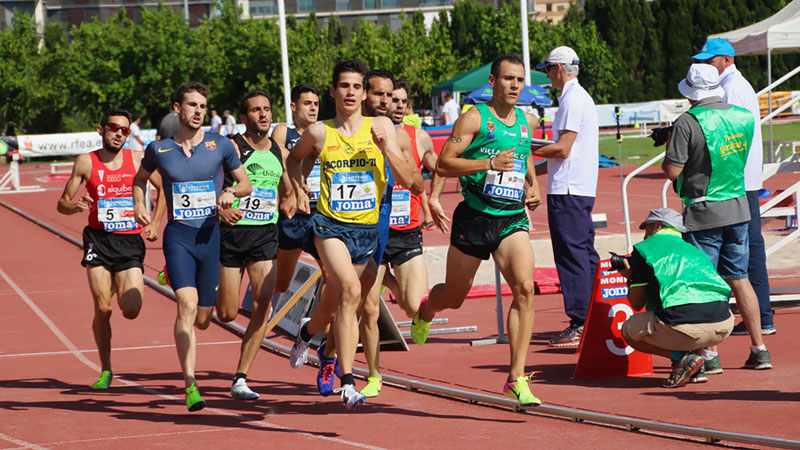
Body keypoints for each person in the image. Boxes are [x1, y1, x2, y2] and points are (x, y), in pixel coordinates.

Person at [285, 59, 417, 409]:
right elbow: (294, 159)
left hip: (367, 229)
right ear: (333, 90)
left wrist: (386, 148)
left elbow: (410, 180)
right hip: (329, 226)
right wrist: (298, 188)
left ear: (363, 93)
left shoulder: (381, 126)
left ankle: (307, 332)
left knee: (334, 304)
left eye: (357, 86)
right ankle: (348, 382)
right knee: (352, 291)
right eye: (344, 85)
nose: (350, 92)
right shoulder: (319, 133)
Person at [417, 54, 542, 406]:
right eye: (508, 78)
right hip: (474, 218)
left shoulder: (526, 121)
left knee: (525, 289)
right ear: (492, 81)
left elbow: (524, 156)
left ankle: (516, 377)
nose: (515, 85)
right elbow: (444, 164)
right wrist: (488, 163)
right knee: (454, 297)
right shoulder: (474, 118)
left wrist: (533, 186)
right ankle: (427, 308)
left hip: (511, 218)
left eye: (519, 79)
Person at [132, 82, 253, 412]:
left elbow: (245, 182)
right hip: (178, 237)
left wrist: (230, 192)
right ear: (177, 108)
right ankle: (190, 385)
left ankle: (176, 277)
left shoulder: (220, 145)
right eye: (192, 105)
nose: (198, 111)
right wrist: (140, 205)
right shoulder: (159, 149)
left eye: (202, 106)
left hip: (210, 238)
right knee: (186, 304)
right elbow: (140, 180)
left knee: (203, 319)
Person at [663, 63, 772, 372]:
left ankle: (710, 355)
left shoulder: (687, 121)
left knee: (705, 284)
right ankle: (759, 348)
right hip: (738, 206)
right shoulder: (743, 117)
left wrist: (674, 145)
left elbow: (672, 170)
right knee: (740, 278)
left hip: (703, 210)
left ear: (691, 93)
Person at [57, 108, 165, 390]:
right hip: (98, 240)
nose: (119, 134)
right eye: (114, 128)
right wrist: (75, 206)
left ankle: (117, 284)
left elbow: (164, 188)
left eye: (124, 130)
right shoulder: (86, 162)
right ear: (101, 129)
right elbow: (62, 203)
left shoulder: (138, 159)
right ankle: (106, 369)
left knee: (131, 310)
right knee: (103, 308)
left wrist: (155, 222)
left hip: (129, 242)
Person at [692, 38, 776, 337]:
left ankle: (760, 317)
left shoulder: (734, 87)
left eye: (710, 60)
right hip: (740, 179)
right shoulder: (733, 85)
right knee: (746, 249)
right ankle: (760, 316)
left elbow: (731, 133)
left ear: (726, 59)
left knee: (747, 251)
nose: (705, 65)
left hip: (737, 181)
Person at [359, 78, 436, 398]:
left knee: (411, 304)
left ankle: (391, 283)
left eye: (402, 100)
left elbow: (430, 172)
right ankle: (373, 375)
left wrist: (434, 200)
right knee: (369, 309)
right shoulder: (361, 133)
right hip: (373, 230)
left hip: (406, 230)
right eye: (392, 98)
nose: (397, 104)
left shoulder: (411, 137)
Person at [216, 90, 291, 400]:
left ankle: (241, 378)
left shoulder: (279, 152)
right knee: (227, 314)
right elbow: (210, 183)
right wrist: (221, 207)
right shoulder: (232, 147)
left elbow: (288, 189)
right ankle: (206, 282)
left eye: (267, 109)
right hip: (232, 235)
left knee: (263, 304)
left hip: (264, 235)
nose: (263, 114)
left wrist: (292, 200)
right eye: (256, 110)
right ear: (244, 117)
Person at [619, 208, 734, 388]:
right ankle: (697, 369)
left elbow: (637, 303)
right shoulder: (694, 250)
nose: (644, 235)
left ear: (657, 226)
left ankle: (681, 358)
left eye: (646, 229)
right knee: (688, 311)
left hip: (685, 327)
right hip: (724, 323)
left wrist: (631, 278)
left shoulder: (644, 249)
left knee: (629, 329)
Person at [532, 46, 600, 348]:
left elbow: (562, 149)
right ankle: (594, 316)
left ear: (558, 68)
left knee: (571, 256)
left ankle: (580, 321)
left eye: (548, 70)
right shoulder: (578, 97)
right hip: (577, 187)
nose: (547, 76)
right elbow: (562, 154)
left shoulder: (573, 99)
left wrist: (522, 145)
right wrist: (529, 170)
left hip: (568, 189)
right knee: (584, 254)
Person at [271, 84, 321, 296]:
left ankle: (324, 319)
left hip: (319, 214)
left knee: (332, 275)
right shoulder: (283, 132)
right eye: (307, 103)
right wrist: (296, 189)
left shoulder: (324, 134)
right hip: (291, 217)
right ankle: (262, 310)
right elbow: (276, 168)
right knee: (280, 284)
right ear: (293, 106)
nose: (313, 108)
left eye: (316, 104)